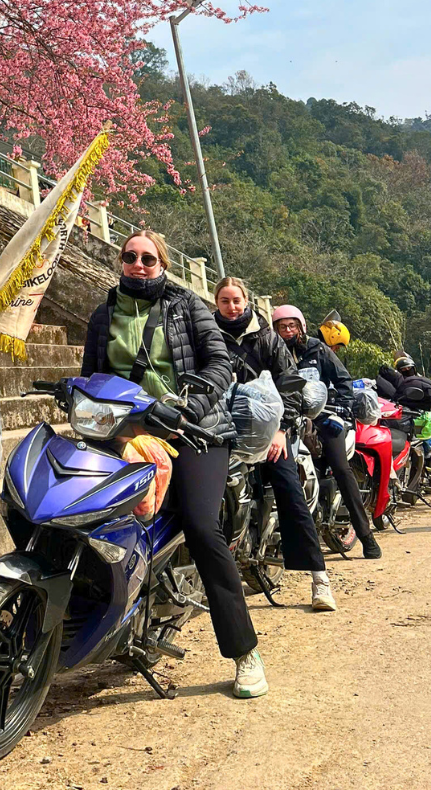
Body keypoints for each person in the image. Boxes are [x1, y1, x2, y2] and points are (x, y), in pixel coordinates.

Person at [82, 232, 267, 699]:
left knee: (202, 527)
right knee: (79, 513)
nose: (139, 264)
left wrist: (191, 403)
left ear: (162, 264)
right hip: (126, 431)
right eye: (131, 257)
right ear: (120, 261)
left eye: (148, 258)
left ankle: (245, 652)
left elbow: (220, 362)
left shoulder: (187, 307)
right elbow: (91, 374)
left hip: (194, 432)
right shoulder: (104, 315)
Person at [213, 279, 336, 612]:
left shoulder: (267, 338)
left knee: (289, 491)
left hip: (270, 434)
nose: (232, 307)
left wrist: (281, 430)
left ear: (247, 301)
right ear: (217, 302)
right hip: (222, 429)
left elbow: (291, 383)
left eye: (236, 300)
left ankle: (319, 579)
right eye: (225, 301)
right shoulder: (207, 335)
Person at [271, 304, 381, 558]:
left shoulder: (317, 349)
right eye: (282, 326)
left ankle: (366, 536)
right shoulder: (272, 352)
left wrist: (340, 412)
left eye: (292, 325)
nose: (288, 331)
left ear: (301, 326)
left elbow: (343, 380)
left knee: (341, 469)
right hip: (288, 418)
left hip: (325, 416)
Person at [376, 355, 431, 483]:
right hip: (413, 419)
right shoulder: (401, 383)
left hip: (417, 419)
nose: (406, 371)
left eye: (407, 369)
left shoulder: (402, 383)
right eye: (403, 369)